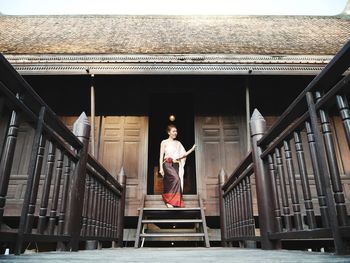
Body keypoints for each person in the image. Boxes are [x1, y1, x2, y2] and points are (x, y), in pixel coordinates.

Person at [159, 124, 196, 208]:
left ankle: (171, 201)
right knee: (175, 179)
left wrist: (191, 150)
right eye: (173, 131)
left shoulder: (178, 143)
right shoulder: (164, 142)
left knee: (175, 181)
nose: (175, 133)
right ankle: (169, 201)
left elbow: (183, 155)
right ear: (169, 132)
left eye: (176, 131)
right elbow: (161, 156)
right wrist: (161, 168)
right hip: (167, 164)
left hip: (176, 165)